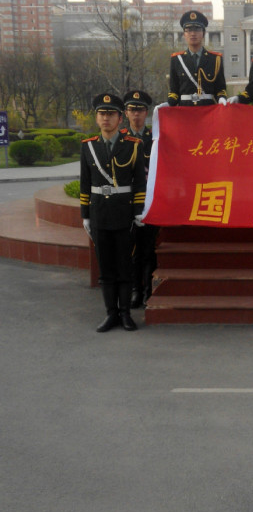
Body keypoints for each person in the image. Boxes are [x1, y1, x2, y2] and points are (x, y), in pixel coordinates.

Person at [80, 93, 146, 332]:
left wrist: (138, 211)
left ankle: (126, 314)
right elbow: (85, 183)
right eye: (101, 114)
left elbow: (139, 183)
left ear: (120, 118)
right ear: (97, 118)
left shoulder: (133, 146)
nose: (105, 118)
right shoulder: (88, 147)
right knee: (105, 268)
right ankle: (111, 314)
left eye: (110, 114)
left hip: (124, 215)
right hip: (99, 215)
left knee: (124, 267)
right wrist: (85, 214)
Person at [122, 90, 158, 309]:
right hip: (127, 204)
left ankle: (148, 291)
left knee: (148, 249)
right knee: (131, 250)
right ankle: (135, 290)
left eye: (140, 110)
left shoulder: (155, 138)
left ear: (147, 113)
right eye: (132, 110)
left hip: (150, 202)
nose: (136, 114)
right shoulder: (121, 138)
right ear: (126, 113)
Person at [168, 10, 227, 106]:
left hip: (208, 111)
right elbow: (174, 91)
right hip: (185, 111)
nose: (193, 33)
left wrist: (221, 98)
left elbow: (220, 89)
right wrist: (169, 103)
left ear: (203, 33)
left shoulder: (215, 59)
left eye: (197, 29)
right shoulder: (177, 59)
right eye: (189, 30)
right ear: (184, 34)